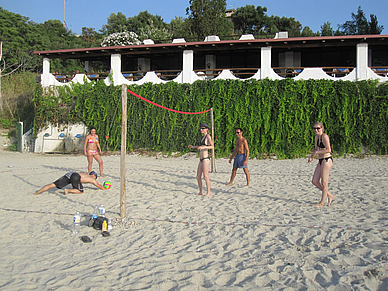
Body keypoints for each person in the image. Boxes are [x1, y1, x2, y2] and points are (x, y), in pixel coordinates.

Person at [308, 122, 335, 207]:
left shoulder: (325, 136)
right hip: (320, 160)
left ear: (322, 128)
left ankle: (322, 202)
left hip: (327, 160)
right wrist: (312, 156)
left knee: (324, 182)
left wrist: (317, 152)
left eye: (318, 128)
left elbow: (328, 150)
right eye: (314, 128)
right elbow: (316, 149)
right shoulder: (317, 137)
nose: (316, 130)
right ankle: (329, 195)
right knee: (315, 181)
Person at [188, 123, 214, 197]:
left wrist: (203, 148)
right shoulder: (203, 137)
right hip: (201, 159)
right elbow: (201, 146)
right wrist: (193, 147)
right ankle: (201, 191)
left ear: (207, 129)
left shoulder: (208, 136)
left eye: (203, 128)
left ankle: (208, 193)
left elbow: (212, 147)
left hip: (206, 158)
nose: (201, 130)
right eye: (201, 128)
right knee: (198, 176)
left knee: (206, 176)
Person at [34, 171, 107, 195]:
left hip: (70, 174)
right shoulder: (92, 178)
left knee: (53, 184)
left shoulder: (84, 173)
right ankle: (68, 190)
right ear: (94, 176)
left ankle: (37, 192)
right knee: (80, 191)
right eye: (96, 177)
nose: (95, 179)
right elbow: (99, 186)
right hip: (75, 176)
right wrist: (104, 188)